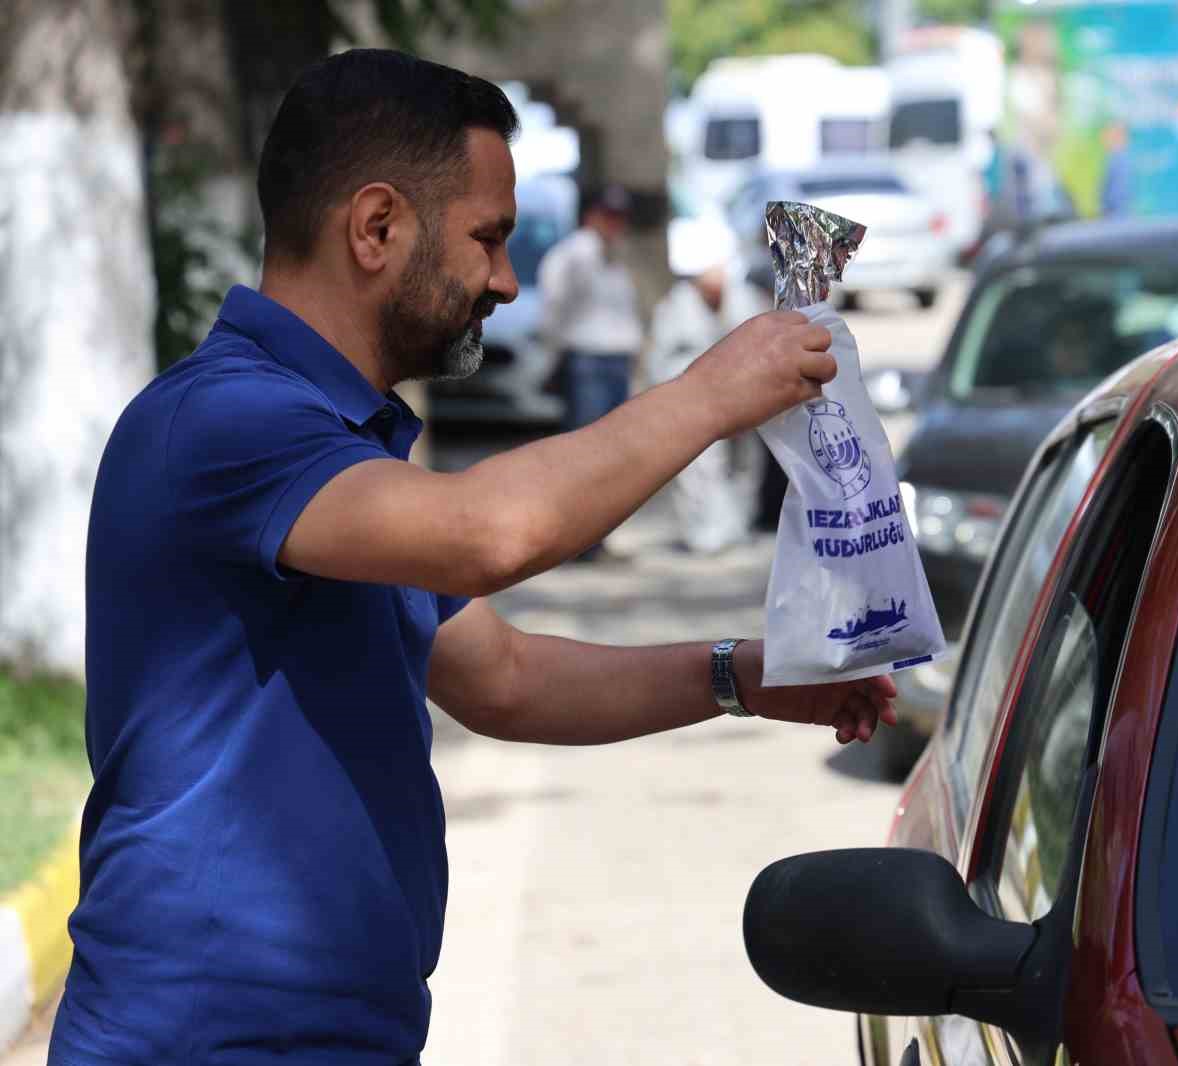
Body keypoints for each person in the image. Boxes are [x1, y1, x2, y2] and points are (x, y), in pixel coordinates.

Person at [51, 49, 895, 1066]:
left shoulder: (331, 443)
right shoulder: (226, 420)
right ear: (375, 228)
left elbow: (505, 676)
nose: (503, 278)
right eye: (487, 239)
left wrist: (742, 676)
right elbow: (490, 534)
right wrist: (712, 391)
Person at [646, 218, 766, 553]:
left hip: (744, 398)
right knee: (699, 468)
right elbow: (661, 360)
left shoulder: (744, 301)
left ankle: (736, 525)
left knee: (745, 463)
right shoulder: (676, 306)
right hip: (694, 401)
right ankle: (704, 530)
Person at [538, 181, 642, 433]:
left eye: (620, 217)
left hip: (618, 360)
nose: (615, 224)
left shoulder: (619, 256)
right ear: (591, 215)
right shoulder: (574, 253)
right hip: (587, 358)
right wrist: (553, 356)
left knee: (616, 441)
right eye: (608, 216)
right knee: (588, 440)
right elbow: (555, 308)